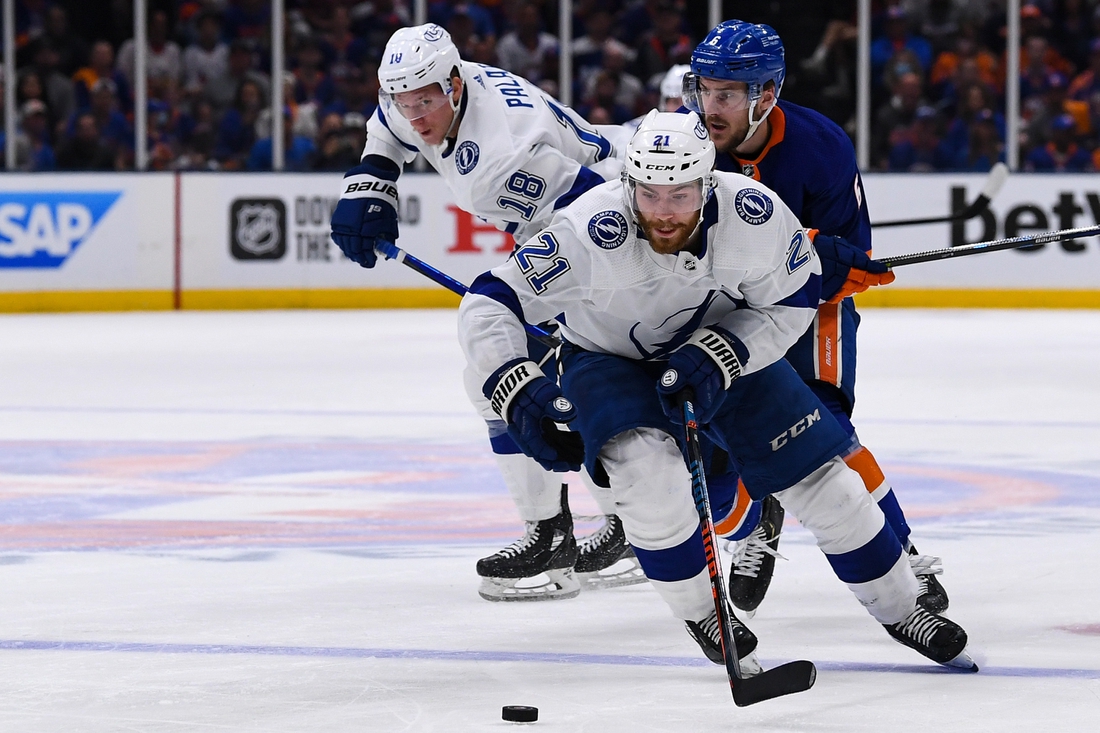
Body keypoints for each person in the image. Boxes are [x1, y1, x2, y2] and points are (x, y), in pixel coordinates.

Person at [456, 111, 977, 672]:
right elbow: (490, 301)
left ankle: (903, 610)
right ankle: (706, 613)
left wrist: (725, 352)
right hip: (606, 357)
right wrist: (513, 383)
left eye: (679, 193)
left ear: (707, 182)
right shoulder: (590, 228)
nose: (662, 211)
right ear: (628, 184)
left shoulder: (755, 216)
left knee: (825, 482)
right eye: (649, 193)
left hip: (721, 345)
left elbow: (793, 302)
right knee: (645, 478)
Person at [329, 24, 640, 602]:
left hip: (611, 215)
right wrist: (373, 183)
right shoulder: (423, 90)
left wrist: (572, 309)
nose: (415, 116)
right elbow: (387, 126)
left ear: (452, 84)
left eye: (425, 101)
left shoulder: (500, 156)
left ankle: (567, 536)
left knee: (516, 373)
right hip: (574, 208)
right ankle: (618, 527)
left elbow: (594, 211)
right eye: (405, 100)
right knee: (510, 375)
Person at [682, 21, 949, 617]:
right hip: (721, 312)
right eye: (703, 88)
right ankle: (756, 520)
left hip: (810, 307)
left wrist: (821, 261)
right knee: (709, 454)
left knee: (827, 433)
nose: (709, 105)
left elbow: (847, 263)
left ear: (766, 94)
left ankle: (898, 553)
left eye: (727, 93)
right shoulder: (685, 145)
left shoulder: (820, 146)